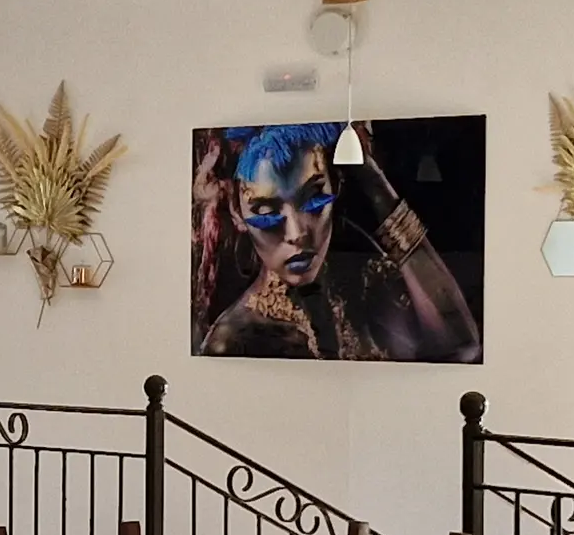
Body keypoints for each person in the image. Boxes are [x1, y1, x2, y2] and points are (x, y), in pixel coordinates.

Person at [192, 123, 480, 362]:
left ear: (337, 184)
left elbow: (462, 346)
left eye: (314, 199)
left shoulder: (366, 284)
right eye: (266, 212)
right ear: (236, 211)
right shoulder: (233, 339)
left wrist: (373, 181)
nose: (296, 233)